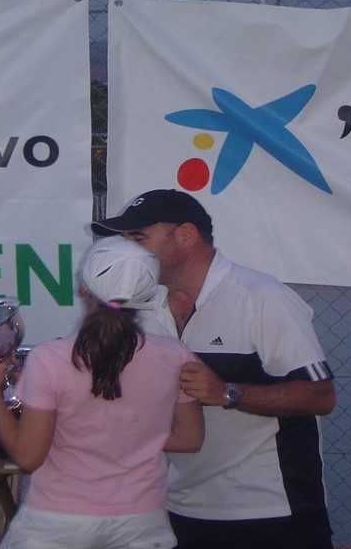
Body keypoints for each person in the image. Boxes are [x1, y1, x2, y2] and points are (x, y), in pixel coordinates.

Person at [92, 188, 336, 549]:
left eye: (138, 238)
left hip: (272, 509)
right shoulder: (136, 309)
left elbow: (320, 396)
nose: (127, 250)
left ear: (186, 235)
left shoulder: (261, 297)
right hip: (178, 506)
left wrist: (227, 393)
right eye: (124, 240)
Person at [0, 236, 204, 549]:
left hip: (56, 522)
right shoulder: (176, 355)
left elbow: (27, 458)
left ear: (84, 288)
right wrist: (123, 431)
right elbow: (190, 438)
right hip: (142, 521)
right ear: (148, 296)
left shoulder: (49, 358)